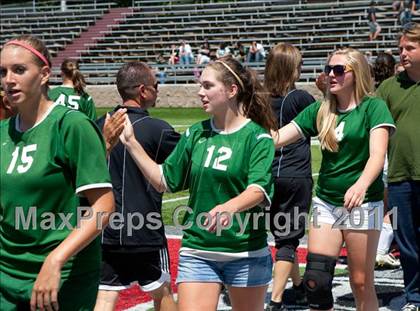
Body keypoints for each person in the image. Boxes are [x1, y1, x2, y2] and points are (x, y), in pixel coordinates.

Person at [119, 55, 277, 311]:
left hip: (245, 254)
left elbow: (258, 190)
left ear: (232, 90)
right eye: (200, 85)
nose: (199, 92)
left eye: (207, 86)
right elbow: (164, 180)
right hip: (198, 251)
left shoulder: (258, 138)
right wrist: (131, 144)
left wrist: (230, 207)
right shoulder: (195, 134)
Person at [272, 48, 395, 311]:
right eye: (328, 69)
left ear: (356, 73)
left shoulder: (374, 107)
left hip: (362, 204)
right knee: (315, 281)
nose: (331, 75)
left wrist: (361, 184)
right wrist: (243, 131)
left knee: (361, 283)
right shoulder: (320, 109)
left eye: (339, 70)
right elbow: (278, 138)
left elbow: (377, 155)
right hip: (326, 202)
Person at [0, 35, 115, 310]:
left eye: (19, 70)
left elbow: (105, 208)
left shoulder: (71, 125)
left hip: (60, 277)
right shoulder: (3, 132)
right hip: (6, 274)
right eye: (2, 72)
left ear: (43, 75)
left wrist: (56, 259)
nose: (8, 79)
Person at [94, 62, 179, 311]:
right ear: (143, 90)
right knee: (163, 294)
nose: (158, 90)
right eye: (155, 85)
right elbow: (185, 170)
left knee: (106, 295)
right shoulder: (158, 129)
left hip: (106, 227)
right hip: (145, 230)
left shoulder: (98, 124)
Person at [264, 43, 315, 311]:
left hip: (266, 176)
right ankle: (276, 301)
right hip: (294, 175)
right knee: (287, 238)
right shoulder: (300, 98)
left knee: (281, 234)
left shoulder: (257, 100)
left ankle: (298, 288)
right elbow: (323, 124)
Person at [376, 22, 420, 311]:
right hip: (401, 176)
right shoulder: (389, 87)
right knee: (406, 243)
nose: (402, 53)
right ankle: (415, 297)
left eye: (410, 48)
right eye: (401, 48)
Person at [371, 52, 401, 270]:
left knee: (378, 204)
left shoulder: (371, 92)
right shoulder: (393, 90)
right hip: (390, 154)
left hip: (372, 154)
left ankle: (378, 247)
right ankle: (381, 250)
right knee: (391, 207)